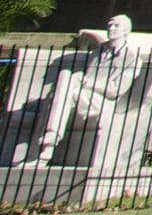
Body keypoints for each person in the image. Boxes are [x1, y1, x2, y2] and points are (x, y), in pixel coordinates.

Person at [33, 15, 144, 166]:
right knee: (65, 78)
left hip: (102, 101)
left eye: (116, 26)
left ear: (126, 30)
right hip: (81, 95)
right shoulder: (98, 51)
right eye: (109, 25)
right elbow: (87, 75)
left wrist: (88, 83)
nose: (111, 29)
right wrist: (80, 79)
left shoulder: (131, 58)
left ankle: (46, 146)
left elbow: (115, 90)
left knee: (58, 93)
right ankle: (51, 136)